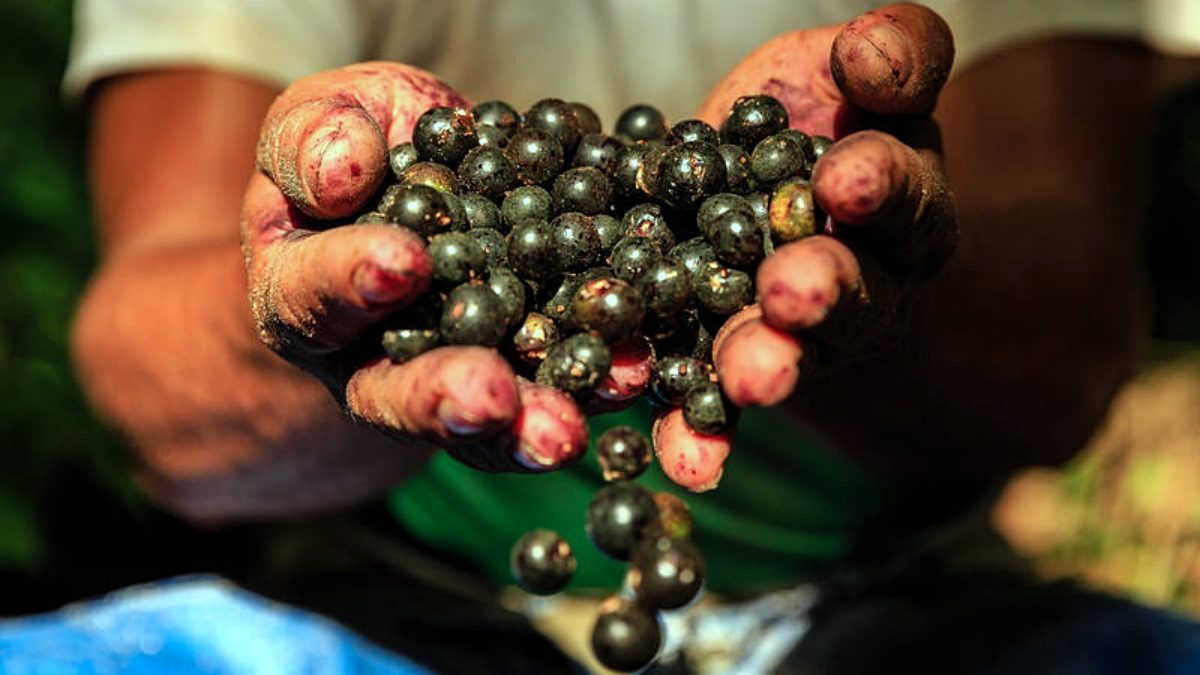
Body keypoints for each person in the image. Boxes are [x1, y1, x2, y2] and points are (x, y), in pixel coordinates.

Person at [58, 0, 1200, 672]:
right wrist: (331, 316)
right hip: (401, 604)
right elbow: (146, 372)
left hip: (910, 610)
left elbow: (1066, 338)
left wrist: (876, 277)